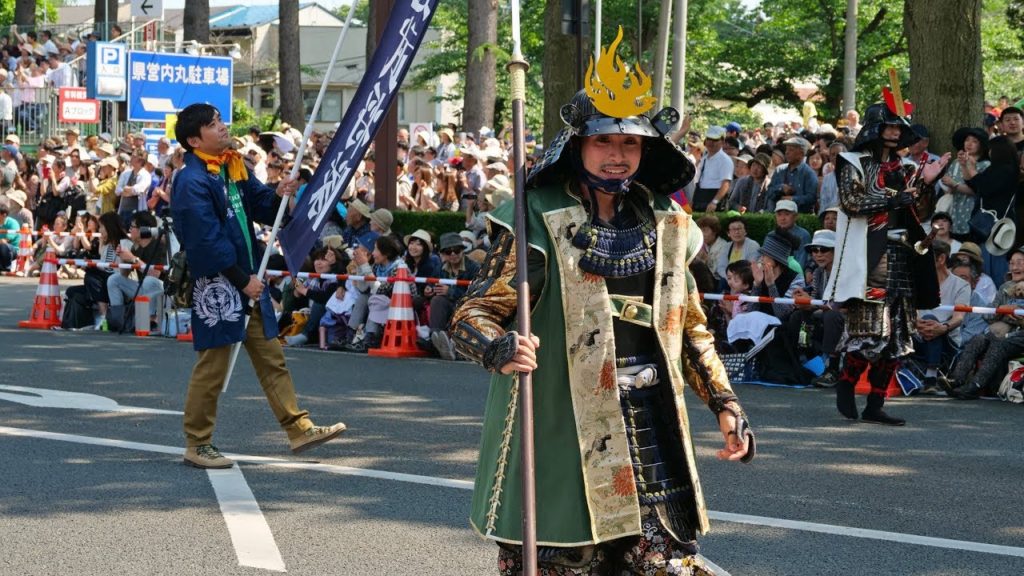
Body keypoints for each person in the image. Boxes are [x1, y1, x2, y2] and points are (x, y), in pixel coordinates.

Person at [449, 37, 753, 575]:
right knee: (566, 565)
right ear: (578, 146)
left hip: (650, 426)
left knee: (665, 566)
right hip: (564, 425)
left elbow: (692, 330)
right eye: (604, 142)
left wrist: (725, 404)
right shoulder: (538, 216)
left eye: (630, 145)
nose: (618, 155)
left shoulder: (669, 223)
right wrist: (499, 346)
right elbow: (471, 313)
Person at [170, 103, 344, 470]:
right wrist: (241, 280)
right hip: (220, 282)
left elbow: (261, 207)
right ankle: (197, 442)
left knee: (271, 356)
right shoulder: (191, 180)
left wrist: (280, 192)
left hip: (249, 275)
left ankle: (299, 427)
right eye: (213, 124)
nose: (222, 127)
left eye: (219, 121)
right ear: (193, 139)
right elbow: (204, 241)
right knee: (213, 365)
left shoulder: (233, 166)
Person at [823, 99, 945, 426]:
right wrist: (893, 197)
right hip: (871, 258)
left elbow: (911, 208)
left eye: (898, 128)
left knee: (899, 335)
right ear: (875, 128)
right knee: (870, 328)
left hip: (903, 256)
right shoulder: (852, 161)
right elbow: (851, 201)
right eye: (889, 126)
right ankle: (846, 383)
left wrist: (925, 183)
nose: (894, 132)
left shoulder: (904, 167)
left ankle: (876, 403)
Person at [942, 247, 1024, 399]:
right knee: (978, 339)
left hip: (1020, 334)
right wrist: (1001, 310)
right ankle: (956, 379)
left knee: (1000, 343)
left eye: (1020, 263)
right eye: (1012, 263)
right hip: (1003, 331)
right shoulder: (1005, 287)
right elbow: (988, 315)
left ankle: (975, 386)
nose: (1015, 267)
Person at [911, 239, 969, 393]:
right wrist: (916, 323)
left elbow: (959, 317)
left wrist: (943, 328)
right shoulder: (917, 281)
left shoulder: (961, 285)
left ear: (941, 259)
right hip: (918, 334)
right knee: (928, 321)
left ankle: (931, 377)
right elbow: (912, 312)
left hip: (947, 340)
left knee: (931, 320)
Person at [426, 232, 480, 361]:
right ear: (444, 254)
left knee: (441, 300)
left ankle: (440, 343)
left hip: (466, 306)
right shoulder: (440, 268)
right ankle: (437, 337)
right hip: (447, 305)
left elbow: (476, 294)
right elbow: (431, 282)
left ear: (462, 250)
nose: (453, 254)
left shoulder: (474, 268)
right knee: (437, 300)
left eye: (456, 250)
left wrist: (450, 292)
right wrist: (429, 289)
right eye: (448, 252)